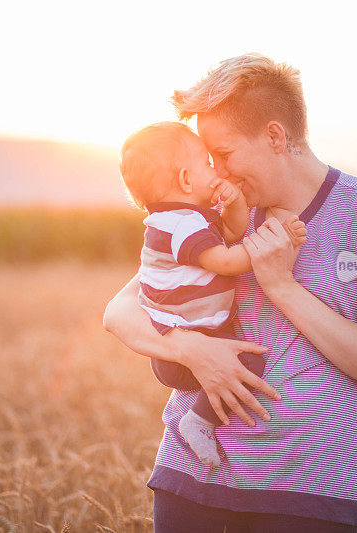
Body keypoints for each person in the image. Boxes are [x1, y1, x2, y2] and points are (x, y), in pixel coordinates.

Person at [103, 53, 357, 531]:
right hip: (193, 478)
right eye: (209, 160)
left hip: (313, 493)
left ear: (276, 136)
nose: (220, 173)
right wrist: (191, 348)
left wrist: (282, 286)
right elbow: (121, 309)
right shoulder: (219, 214)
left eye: (225, 155)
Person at [118, 121, 307, 467]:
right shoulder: (181, 225)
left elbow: (231, 230)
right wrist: (273, 241)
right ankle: (199, 422)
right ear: (187, 181)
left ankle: (201, 419)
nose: (215, 169)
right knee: (249, 360)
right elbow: (225, 259)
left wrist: (233, 203)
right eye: (207, 163)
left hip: (186, 338)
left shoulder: (183, 218)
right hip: (185, 347)